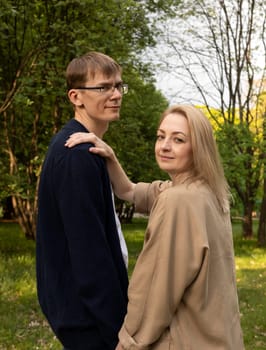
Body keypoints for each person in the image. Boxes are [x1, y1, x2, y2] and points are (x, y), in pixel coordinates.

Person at [65, 104, 245, 349]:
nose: (165, 146)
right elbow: (129, 190)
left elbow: (153, 294)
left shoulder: (178, 202)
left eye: (178, 139)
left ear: (199, 147)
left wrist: (127, 342)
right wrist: (110, 156)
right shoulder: (207, 191)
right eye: (161, 136)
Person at [36, 51, 129, 350]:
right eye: (103, 87)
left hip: (83, 316)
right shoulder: (77, 155)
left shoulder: (87, 146)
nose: (115, 94)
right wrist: (118, 331)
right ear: (76, 96)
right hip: (89, 322)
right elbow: (90, 255)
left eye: (118, 86)